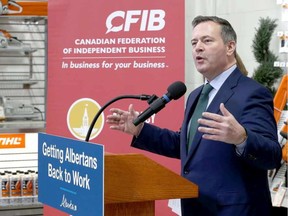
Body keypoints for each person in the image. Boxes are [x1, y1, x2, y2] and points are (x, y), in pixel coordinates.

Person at [106, 16, 282, 216]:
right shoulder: (196, 95)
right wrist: (140, 129)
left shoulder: (252, 93)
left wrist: (241, 138)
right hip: (195, 207)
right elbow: (186, 146)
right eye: (194, 42)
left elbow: (272, 157)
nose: (198, 47)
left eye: (207, 41)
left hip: (234, 211)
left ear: (230, 47)